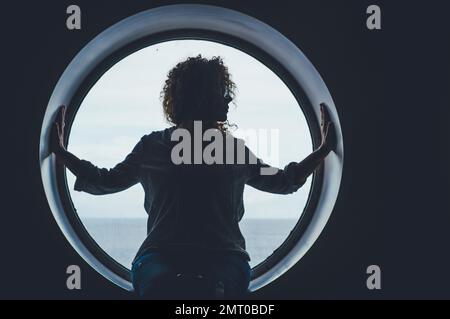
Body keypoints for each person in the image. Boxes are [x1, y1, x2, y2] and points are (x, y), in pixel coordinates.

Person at [51, 55, 336, 299]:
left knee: (166, 287)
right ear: (203, 96)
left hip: (161, 261)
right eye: (223, 90)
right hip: (223, 261)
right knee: (211, 289)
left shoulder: (155, 147)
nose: (229, 98)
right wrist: (322, 151)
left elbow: (105, 181)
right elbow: (284, 182)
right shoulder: (231, 150)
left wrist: (63, 154)